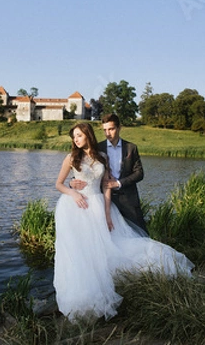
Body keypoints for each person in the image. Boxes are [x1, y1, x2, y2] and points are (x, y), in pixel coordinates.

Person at [53, 122, 194, 323]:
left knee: (108, 244)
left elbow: (106, 185)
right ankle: (83, 289)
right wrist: (73, 192)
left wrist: (108, 213)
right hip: (77, 206)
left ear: (87, 135)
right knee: (81, 249)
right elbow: (58, 184)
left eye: (78, 135)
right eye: (73, 136)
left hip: (98, 203)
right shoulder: (71, 157)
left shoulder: (101, 157)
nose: (75, 139)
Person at [71, 113, 149, 235]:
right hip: (104, 200)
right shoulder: (97, 148)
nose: (108, 133)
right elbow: (84, 169)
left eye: (111, 129)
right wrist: (72, 182)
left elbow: (139, 173)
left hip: (128, 199)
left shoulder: (131, 148)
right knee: (111, 235)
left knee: (140, 234)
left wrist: (117, 183)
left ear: (119, 128)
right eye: (105, 130)